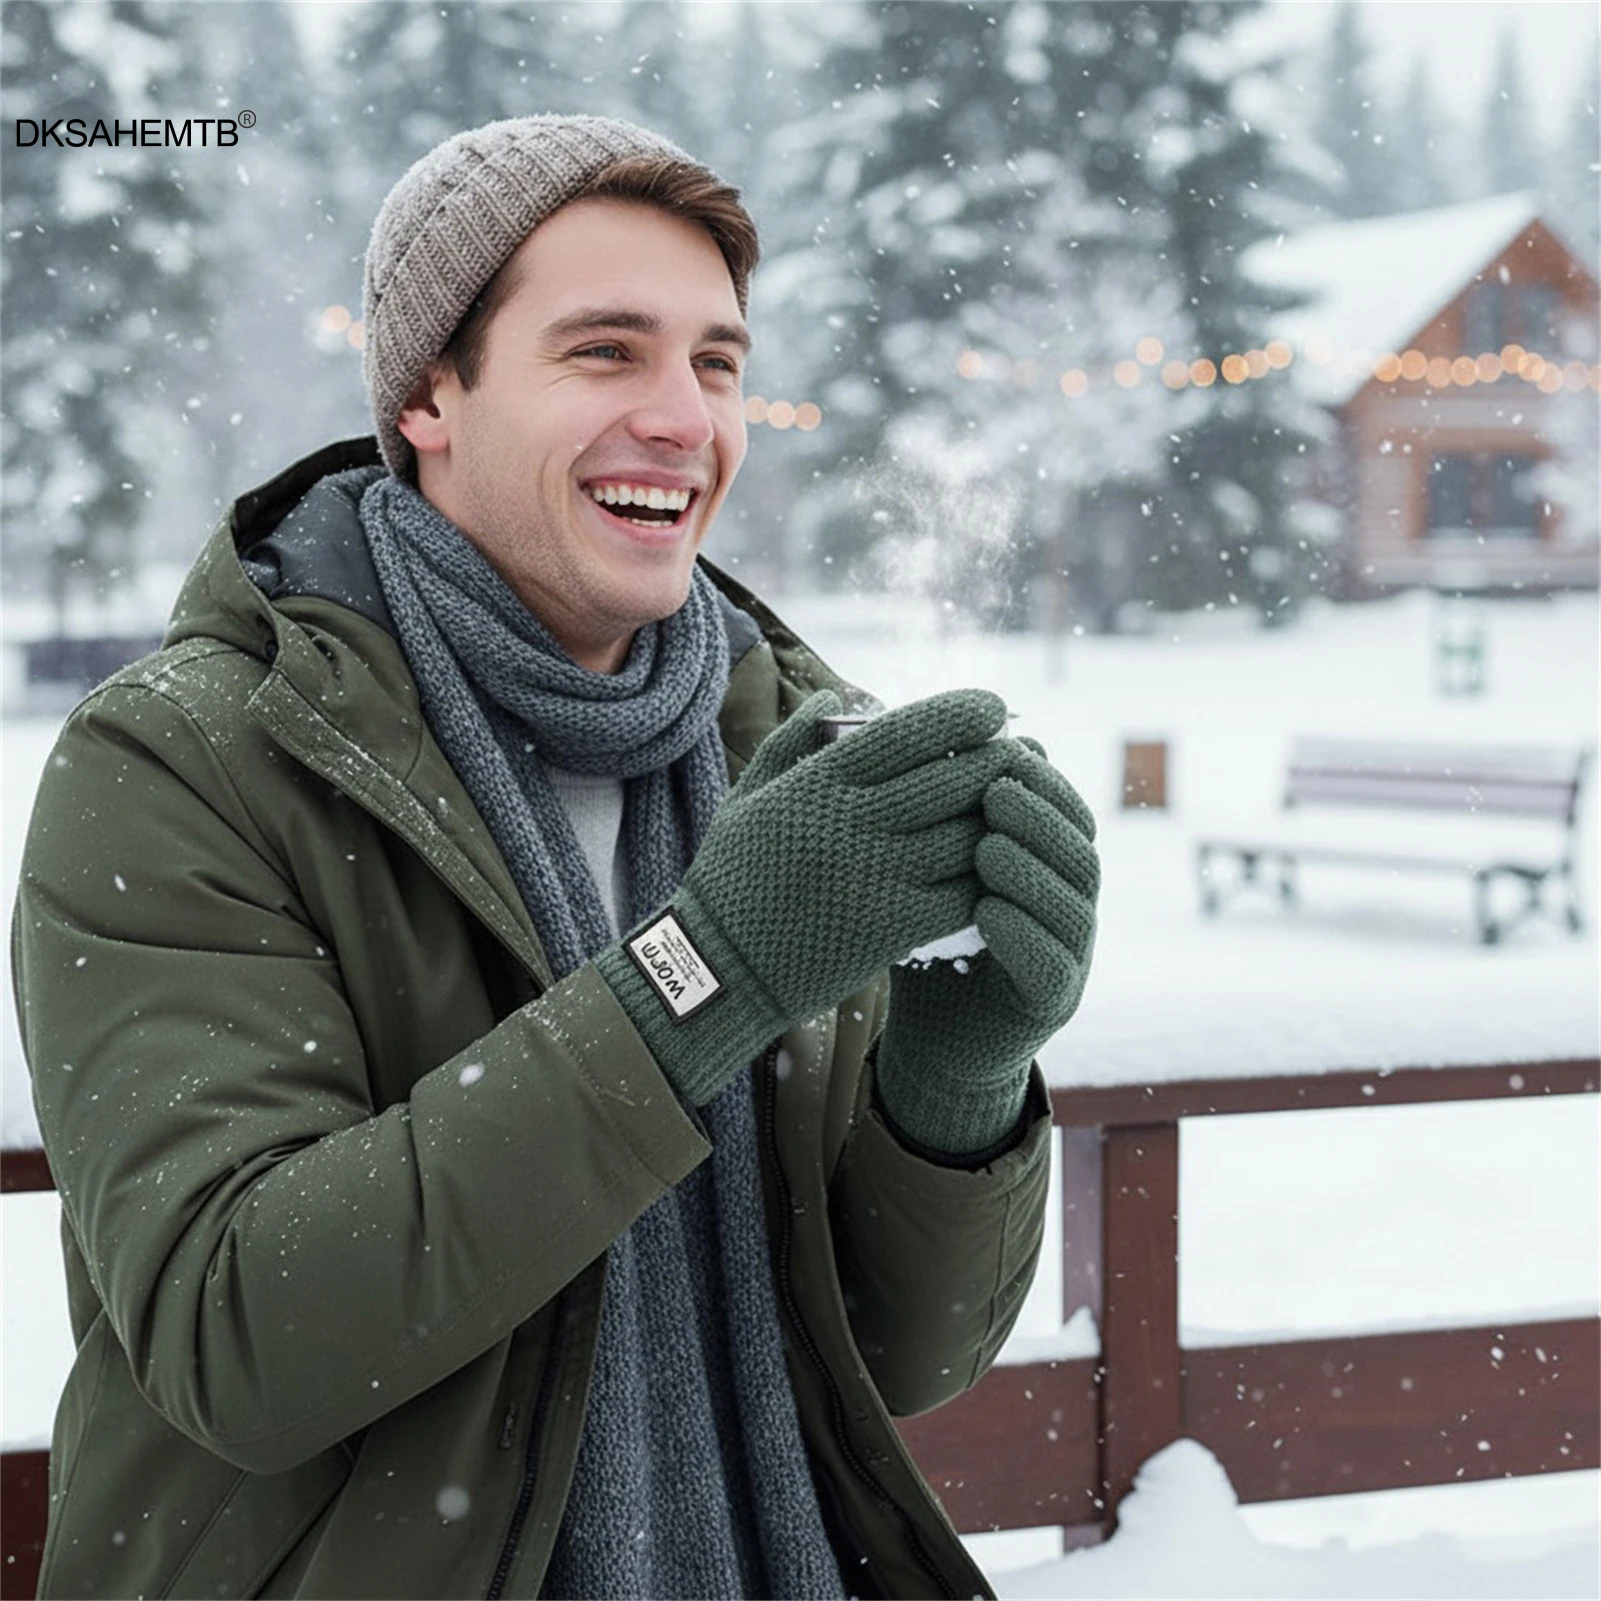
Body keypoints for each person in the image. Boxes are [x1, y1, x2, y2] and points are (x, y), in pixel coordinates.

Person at [13, 114, 1099, 1600]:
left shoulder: (782, 742)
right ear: (427, 396)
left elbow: (897, 1358)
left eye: (717, 363)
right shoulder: (187, 760)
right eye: (605, 352)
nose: (684, 417)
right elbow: (236, 1335)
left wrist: (960, 1084)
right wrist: (704, 972)